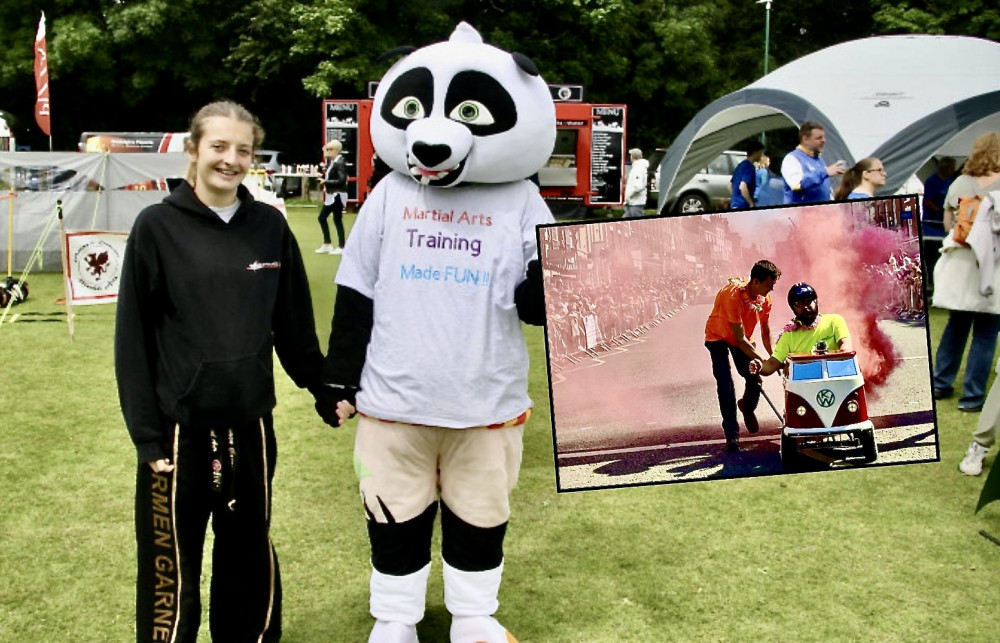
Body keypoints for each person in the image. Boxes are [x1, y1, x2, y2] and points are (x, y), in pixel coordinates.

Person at [316, 23, 555, 643]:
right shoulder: (391, 194)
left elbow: (542, 301)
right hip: (394, 401)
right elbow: (356, 288)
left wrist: (553, 287)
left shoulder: (525, 201)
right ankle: (396, 618)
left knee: (481, 514)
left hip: (486, 403)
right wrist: (339, 376)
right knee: (393, 514)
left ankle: (473, 614)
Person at [115, 100, 337, 642]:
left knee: (247, 553)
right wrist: (148, 440)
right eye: (218, 146)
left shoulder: (269, 226)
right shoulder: (156, 228)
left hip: (250, 426)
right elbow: (133, 342)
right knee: (174, 561)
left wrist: (324, 389)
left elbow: (293, 325)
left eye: (243, 149)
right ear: (193, 150)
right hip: (177, 431)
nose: (230, 159)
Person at [931, 132, 1000, 413]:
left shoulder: (960, 182)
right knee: (986, 332)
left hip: (961, 262)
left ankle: (940, 383)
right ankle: (972, 397)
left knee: (956, 326)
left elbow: (949, 224)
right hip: (992, 265)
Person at [704, 260, 781, 452]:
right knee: (725, 383)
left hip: (743, 338)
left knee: (754, 378)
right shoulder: (734, 296)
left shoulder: (765, 299)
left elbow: (764, 331)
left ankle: (747, 406)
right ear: (755, 281)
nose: (771, 289)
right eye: (768, 285)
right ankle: (732, 436)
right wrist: (764, 362)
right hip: (718, 336)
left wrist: (774, 358)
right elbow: (738, 339)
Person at [749, 283, 853, 377]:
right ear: (793, 308)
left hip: (837, 378)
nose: (806, 307)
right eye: (799, 304)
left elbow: (846, 347)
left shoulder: (834, 321)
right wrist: (760, 367)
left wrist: (837, 355)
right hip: (803, 388)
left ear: (816, 301)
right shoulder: (789, 334)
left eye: (808, 301)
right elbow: (772, 364)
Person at [781, 121, 846, 204]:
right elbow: (797, 184)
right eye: (819, 138)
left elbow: (824, 190)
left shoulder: (819, 160)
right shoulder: (792, 159)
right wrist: (825, 172)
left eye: (824, 137)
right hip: (800, 214)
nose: (824, 140)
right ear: (805, 139)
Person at [316, 139, 349, 254]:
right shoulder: (333, 162)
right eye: (328, 149)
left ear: (336, 150)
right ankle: (327, 243)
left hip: (338, 194)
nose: (328, 151)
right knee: (322, 218)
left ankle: (341, 246)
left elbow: (341, 180)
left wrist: (326, 181)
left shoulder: (340, 162)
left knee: (337, 219)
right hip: (332, 194)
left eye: (330, 149)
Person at [922, 157, 957, 238]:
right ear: (944, 168)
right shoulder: (932, 182)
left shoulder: (950, 181)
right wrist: (941, 211)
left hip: (946, 222)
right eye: (952, 168)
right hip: (932, 224)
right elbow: (928, 202)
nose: (954, 170)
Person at [730, 140, 765, 209]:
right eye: (760, 153)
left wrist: (735, 198)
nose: (761, 156)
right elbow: (743, 186)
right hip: (743, 205)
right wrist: (751, 203)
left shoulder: (741, 165)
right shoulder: (749, 167)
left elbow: (730, 185)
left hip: (735, 204)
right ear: (755, 152)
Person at [624, 148, 648, 218]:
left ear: (633, 157)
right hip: (632, 202)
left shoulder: (638, 169)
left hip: (635, 202)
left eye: (631, 155)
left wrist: (629, 196)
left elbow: (638, 187)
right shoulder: (637, 167)